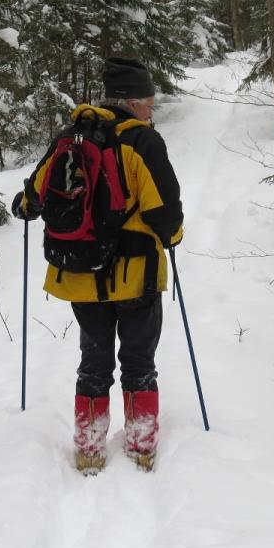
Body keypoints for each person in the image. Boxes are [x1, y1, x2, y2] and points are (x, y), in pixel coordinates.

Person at [12, 57, 184, 474]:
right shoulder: (142, 141)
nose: (151, 109)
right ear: (132, 101)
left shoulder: (69, 137)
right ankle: (141, 447)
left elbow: (29, 201)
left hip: (80, 274)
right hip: (135, 275)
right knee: (139, 361)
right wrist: (172, 238)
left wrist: (27, 206)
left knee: (93, 361)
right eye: (148, 101)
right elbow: (166, 216)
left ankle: (89, 449)